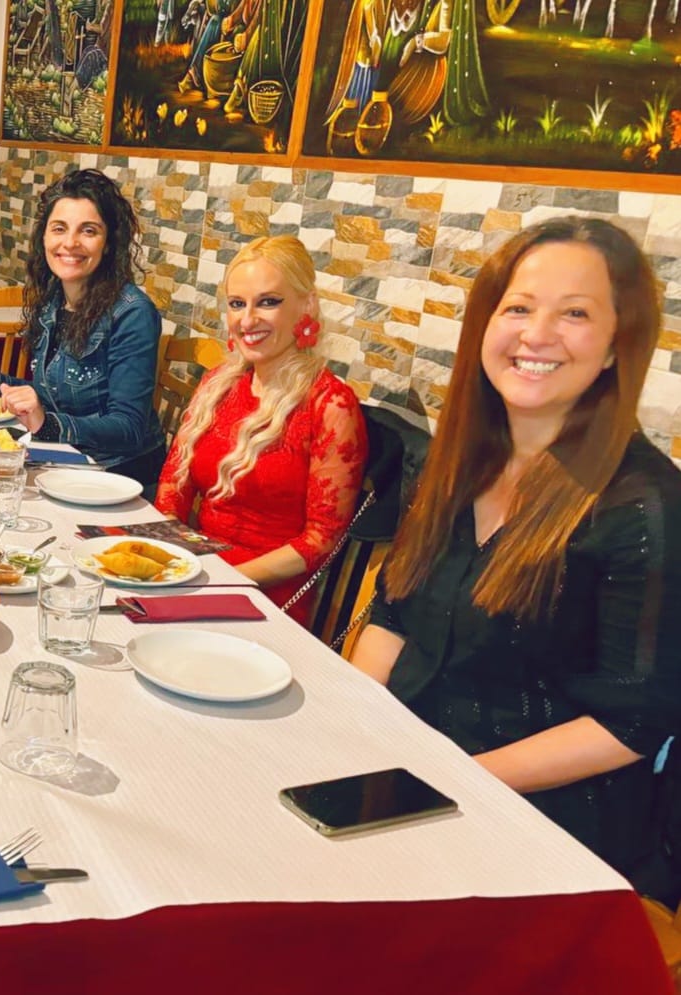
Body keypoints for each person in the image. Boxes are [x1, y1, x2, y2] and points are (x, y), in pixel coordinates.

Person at [350, 217, 681, 902]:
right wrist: (356, 726)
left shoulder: (643, 506)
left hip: (540, 830)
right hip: (405, 778)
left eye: (575, 314)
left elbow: (632, 722)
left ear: (616, 344)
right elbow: (392, 612)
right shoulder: (458, 460)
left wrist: (448, 779)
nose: (537, 334)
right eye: (519, 308)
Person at [155, 235, 367, 624]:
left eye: (268, 302)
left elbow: (321, 540)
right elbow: (174, 487)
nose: (247, 320)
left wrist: (224, 579)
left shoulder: (330, 405)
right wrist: (170, 558)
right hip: (197, 572)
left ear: (307, 305)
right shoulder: (218, 384)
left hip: (266, 598)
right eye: (237, 304)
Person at [0, 168, 165, 494]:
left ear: (108, 243)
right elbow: (50, 395)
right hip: (66, 461)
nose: (70, 243)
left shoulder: (132, 313)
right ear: (44, 237)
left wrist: (47, 424)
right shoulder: (54, 300)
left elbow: (128, 428)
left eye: (88, 230)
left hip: (119, 478)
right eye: (59, 228)